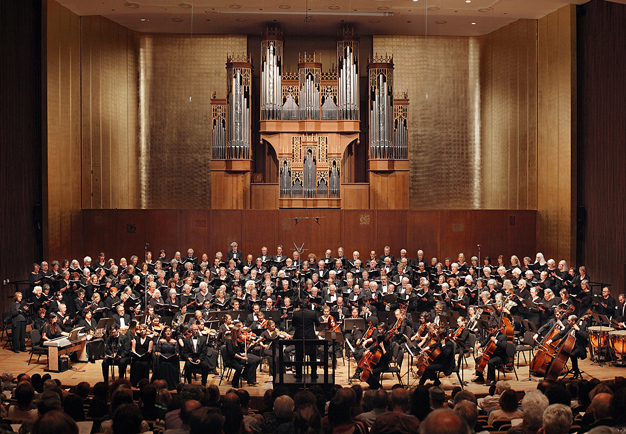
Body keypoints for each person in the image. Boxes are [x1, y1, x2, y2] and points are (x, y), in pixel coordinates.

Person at [546, 314, 588, 379]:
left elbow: (586, 336)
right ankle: (550, 371)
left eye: (569, 321)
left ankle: (576, 371)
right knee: (557, 352)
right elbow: (560, 334)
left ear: (573, 322)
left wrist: (578, 330)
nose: (567, 322)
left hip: (578, 347)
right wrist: (551, 340)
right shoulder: (568, 327)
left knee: (572, 355)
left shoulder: (581, 327)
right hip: (568, 346)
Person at [291, 298, 321, 381]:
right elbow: (318, 324)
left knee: (299, 356)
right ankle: (313, 374)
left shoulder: (296, 314)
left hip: (299, 337)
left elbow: (293, 324)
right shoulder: (312, 313)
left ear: (299, 305)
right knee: (312, 356)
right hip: (310, 337)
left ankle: (299, 374)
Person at [473, 320, 508, 386]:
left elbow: (504, 346)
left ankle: (492, 380)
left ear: (496, 328)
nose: (490, 331)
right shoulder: (491, 334)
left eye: (491, 330)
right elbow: (485, 342)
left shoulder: (503, 336)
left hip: (500, 356)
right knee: (478, 359)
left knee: (490, 362)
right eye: (489, 330)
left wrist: (496, 341)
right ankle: (480, 377)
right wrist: (479, 344)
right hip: (491, 354)